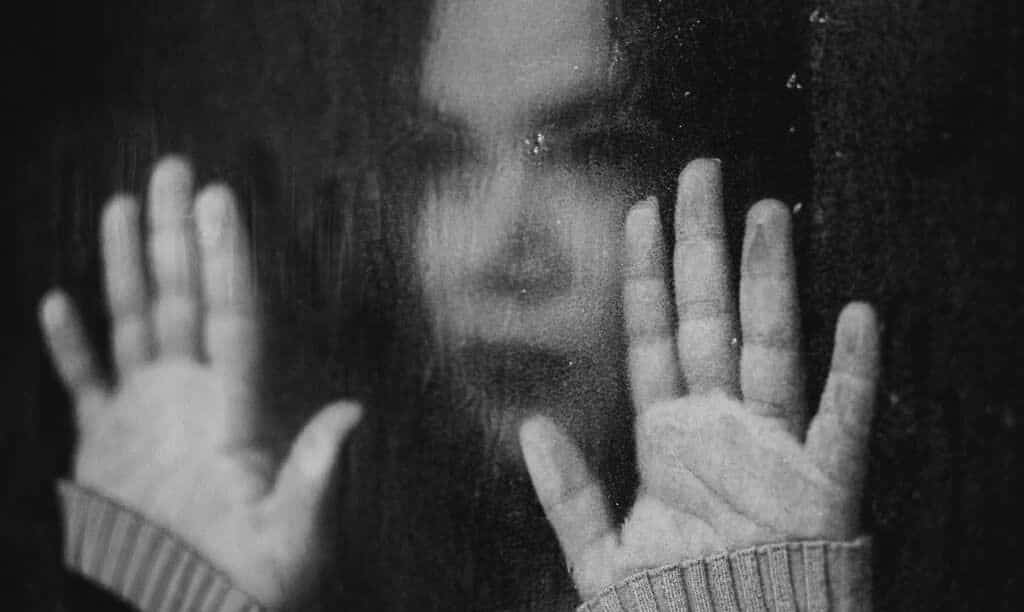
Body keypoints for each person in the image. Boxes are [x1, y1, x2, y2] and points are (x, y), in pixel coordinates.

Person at [41, 0, 879, 609]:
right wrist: (179, 594)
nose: (499, 253)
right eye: (441, 157)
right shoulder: (362, 527)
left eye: (596, 151)